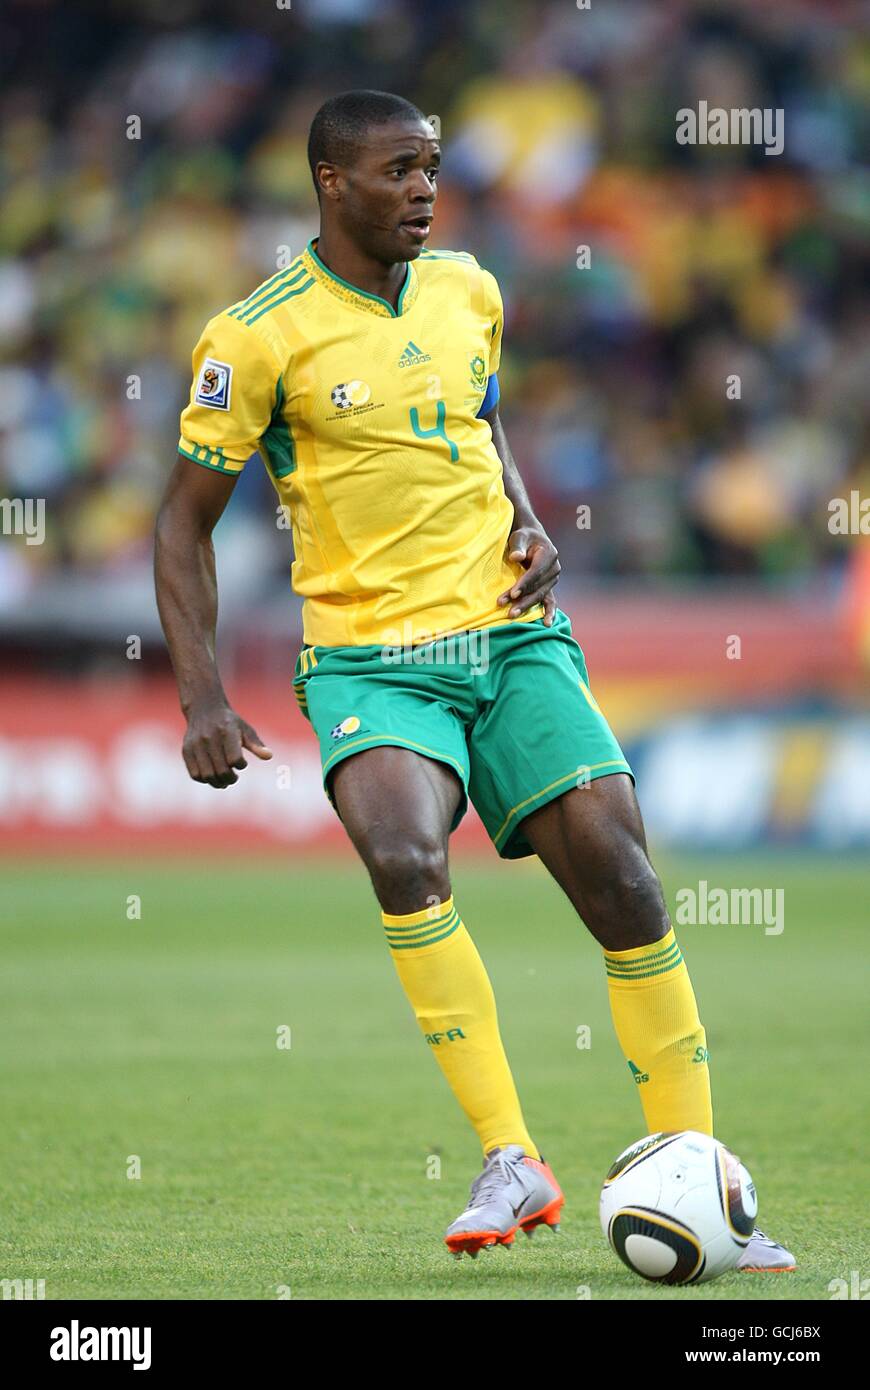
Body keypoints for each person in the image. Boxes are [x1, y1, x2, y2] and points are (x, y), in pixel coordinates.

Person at [154, 89, 793, 1270]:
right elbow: (181, 525)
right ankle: (511, 1154)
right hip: (369, 656)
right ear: (330, 184)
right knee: (404, 856)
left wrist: (532, 519)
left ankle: (698, 1166)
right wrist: (200, 696)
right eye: (399, 170)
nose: (424, 191)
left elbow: (481, 421)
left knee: (627, 883)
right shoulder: (257, 337)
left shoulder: (470, 290)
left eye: (433, 169)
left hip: (510, 639)